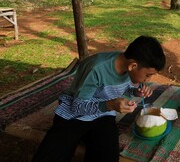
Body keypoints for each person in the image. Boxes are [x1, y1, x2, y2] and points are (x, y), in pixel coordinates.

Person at [32, 35, 166, 162]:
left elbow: (120, 88)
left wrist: (136, 92)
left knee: (107, 156)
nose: (148, 80)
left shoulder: (129, 66)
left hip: (103, 116)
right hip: (73, 116)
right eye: (148, 75)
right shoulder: (96, 68)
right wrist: (110, 105)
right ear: (133, 66)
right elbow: (77, 106)